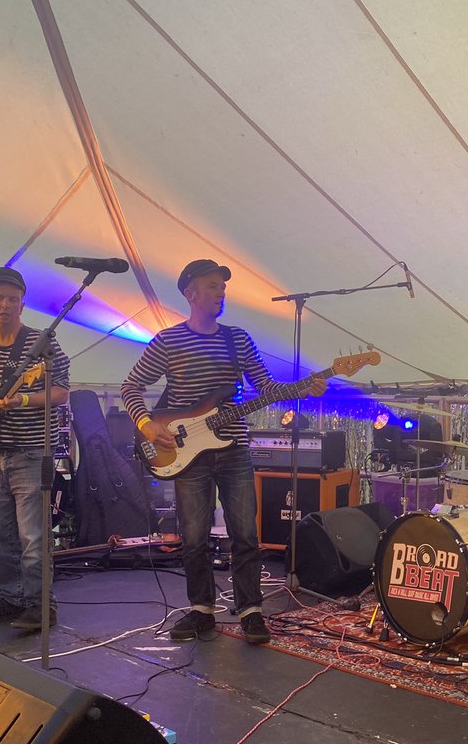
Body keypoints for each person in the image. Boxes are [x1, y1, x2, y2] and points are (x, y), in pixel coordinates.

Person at [122, 259, 326, 644]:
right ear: (191, 293)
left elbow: (264, 385)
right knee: (195, 537)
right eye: (213, 286)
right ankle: (201, 611)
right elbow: (131, 387)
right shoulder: (168, 341)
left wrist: (302, 387)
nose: (221, 293)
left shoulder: (238, 338)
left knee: (246, 533)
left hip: (234, 450)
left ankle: (251, 611)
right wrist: (148, 425)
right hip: (186, 452)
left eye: (223, 288)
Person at [0, 266, 71, 630]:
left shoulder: (41, 342)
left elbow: (61, 392)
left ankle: (43, 607)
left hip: (30, 452)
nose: (5, 305)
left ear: (22, 304)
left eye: (12, 299)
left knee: (34, 536)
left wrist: (22, 399)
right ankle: (11, 598)